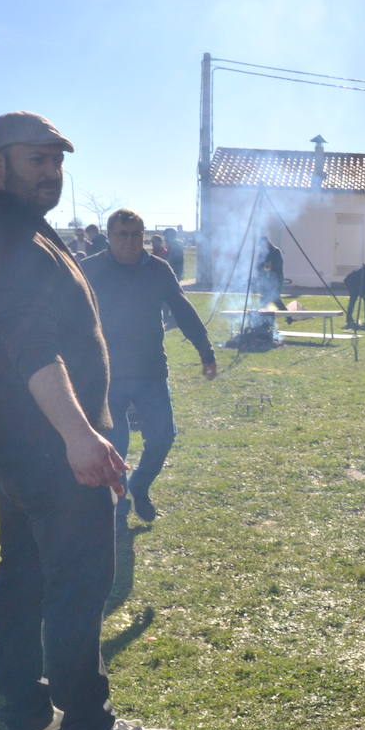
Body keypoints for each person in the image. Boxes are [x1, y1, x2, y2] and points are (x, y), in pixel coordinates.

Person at [0, 110, 176, 730]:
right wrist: (81, 437)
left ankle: (27, 720)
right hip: (49, 444)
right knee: (79, 584)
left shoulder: (11, 229)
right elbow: (33, 349)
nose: (51, 172)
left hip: (13, 439)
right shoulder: (8, 238)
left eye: (56, 160)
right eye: (36, 160)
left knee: (21, 575)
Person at [81, 207, 217, 524]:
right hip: (107, 375)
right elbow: (69, 316)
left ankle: (139, 486)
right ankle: (121, 500)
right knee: (116, 446)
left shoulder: (158, 269)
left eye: (136, 235)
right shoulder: (90, 269)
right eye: (122, 235)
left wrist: (206, 351)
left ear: (144, 236)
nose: (130, 242)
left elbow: (183, 311)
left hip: (150, 372)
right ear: (109, 237)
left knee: (162, 437)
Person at [255, 235, 285, 310]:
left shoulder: (275, 251)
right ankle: (260, 316)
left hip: (276, 279)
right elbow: (258, 266)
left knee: (274, 298)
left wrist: (268, 266)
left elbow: (277, 265)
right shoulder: (262, 253)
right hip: (266, 280)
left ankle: (288, 316)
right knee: (265, 298)